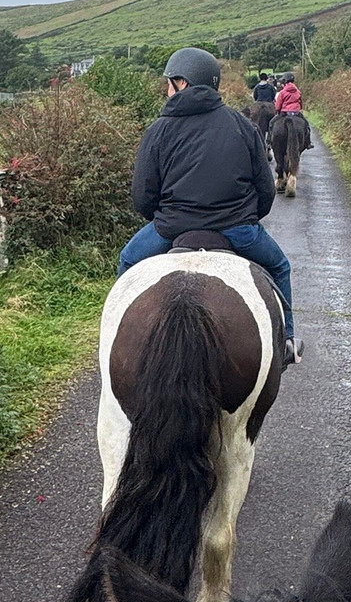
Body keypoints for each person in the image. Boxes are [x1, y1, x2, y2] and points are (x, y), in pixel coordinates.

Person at [116, 47, 303, 367]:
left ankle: (117, 345)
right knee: (279, 266)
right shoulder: (242, 126)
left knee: (127, 260)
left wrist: (166, 219)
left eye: (169, 82)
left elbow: (142, 198)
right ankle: (286, 341)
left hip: (171, 229)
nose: (166, 89)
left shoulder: (158, 130)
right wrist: (242, 218)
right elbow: (265, 192)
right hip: (237, 230)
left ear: (182, 82)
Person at [272, 71, 314, 150]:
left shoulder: (282, 92)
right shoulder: (298, 91)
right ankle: (308, 142)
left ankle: (269, 141)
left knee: (271, 123)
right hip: (296, 112)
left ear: (285, 81)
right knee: (307, 125)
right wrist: (298, 108)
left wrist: (278, 111)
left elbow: (278, 105)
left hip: (285, 112)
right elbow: (300, 103)